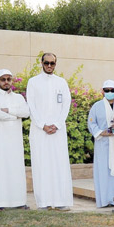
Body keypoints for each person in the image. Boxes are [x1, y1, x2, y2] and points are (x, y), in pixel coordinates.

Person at [26, 53, 73, 211]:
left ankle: (60, 200)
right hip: (40, 131)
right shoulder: (33, 82)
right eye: (47, 63)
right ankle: (43, 202)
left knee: (59, 164)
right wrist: (42, 125)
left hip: (57, 131)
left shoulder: (61, 82)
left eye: (52, 63)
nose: (49, 66)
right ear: (41, 63)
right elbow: (31, 105)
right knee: (42, 165)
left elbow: (66, 104)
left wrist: (58, 124)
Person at [0, 69, 31, 211]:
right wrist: (15, 115)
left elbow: (26, 112)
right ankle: (0, 203)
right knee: (1, 168)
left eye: (8, 79)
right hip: (0, 140)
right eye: (3, 79)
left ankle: (19, 202)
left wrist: (9, 110)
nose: (6, 82)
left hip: (15, 140)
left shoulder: (18, 98)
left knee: (16, 169)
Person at [87, 80, 114, 208]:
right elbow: (91, 123)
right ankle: (105, 200)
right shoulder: (96, 106)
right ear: (103, 91)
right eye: (107, 90)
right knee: (103, 170)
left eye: (112, 90)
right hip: (103, 144)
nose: (109, 92)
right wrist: (101, 132)